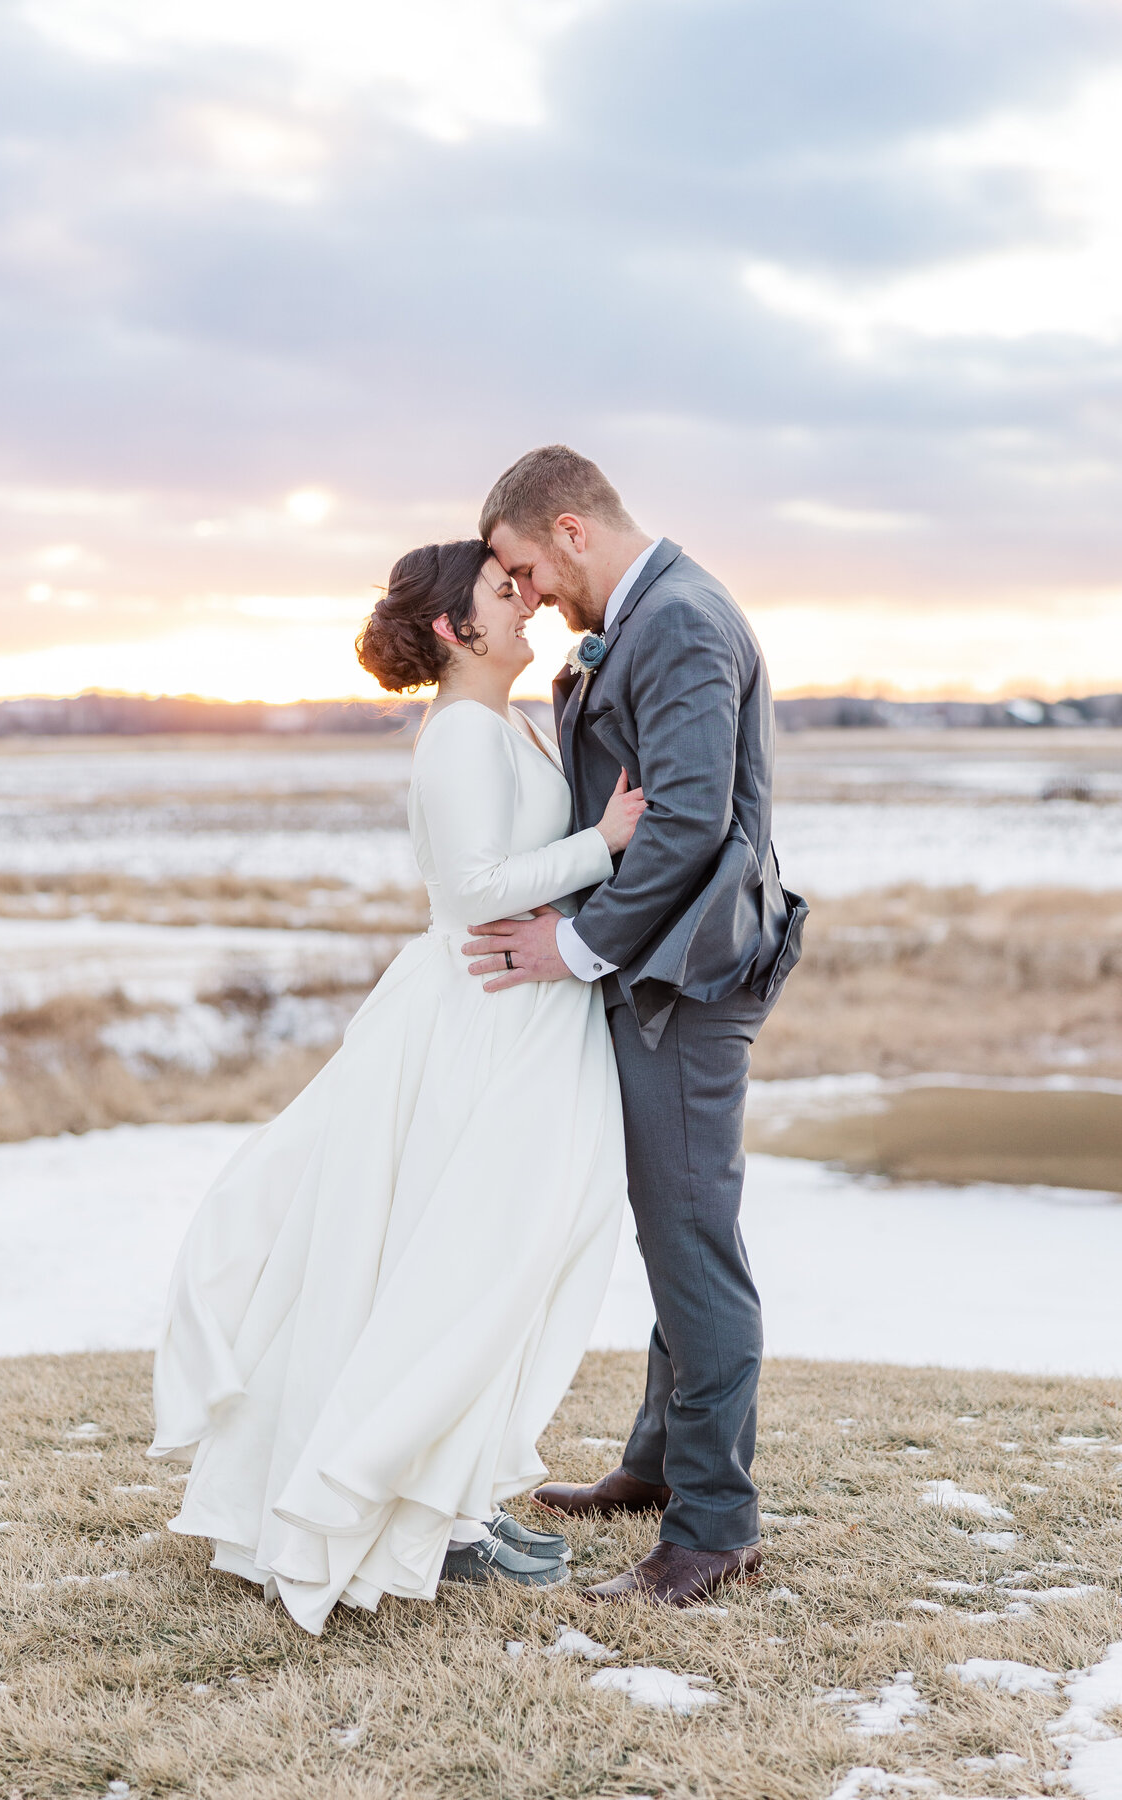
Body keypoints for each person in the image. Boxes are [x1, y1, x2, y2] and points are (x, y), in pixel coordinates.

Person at [147, 538, 645, 1633]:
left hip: (524, 1017)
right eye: (501, 593)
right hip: (479, 1017)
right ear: (452, 631)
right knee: (465, 1258)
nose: (527, 604)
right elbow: (473, 893)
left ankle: (453, 1493)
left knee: (503, 1257)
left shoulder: (502, 721)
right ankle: (414, 1503)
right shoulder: (460, 736)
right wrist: (603, 845)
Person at [465, 446, 807, 1608]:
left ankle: (716, 1527)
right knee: (672, 1225)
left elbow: (691, 827)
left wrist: (572, 945)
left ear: (569, 528)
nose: (528, 594)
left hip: (688, 977)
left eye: (521, 565)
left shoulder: (680, 621)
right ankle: (661, 1469)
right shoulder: (647, 614)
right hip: (661, 968)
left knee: (693, 1234)